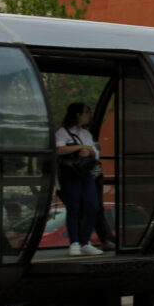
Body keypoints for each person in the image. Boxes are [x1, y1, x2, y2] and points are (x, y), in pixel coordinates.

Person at [55, 102, 102, 256]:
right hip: (70, 173)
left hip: (85, 173)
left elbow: (95, 153)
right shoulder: (63, 132)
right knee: (74, 206)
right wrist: (79, 148)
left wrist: (89, 152)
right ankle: (74, 242)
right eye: (86, 112)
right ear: (78, 114)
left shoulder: (86, 134)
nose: (89, 115)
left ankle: (85, 241)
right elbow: (59, 149)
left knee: (93, 206)